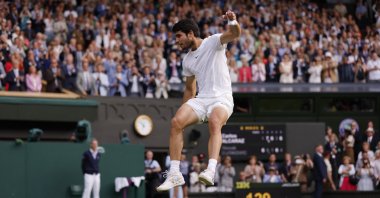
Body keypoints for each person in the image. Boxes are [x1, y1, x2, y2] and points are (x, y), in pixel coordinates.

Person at [157, 11, 241, 191]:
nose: (176, 40)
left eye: (179, 36)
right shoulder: (186, 60)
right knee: (176, 122)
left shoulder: (213, 42)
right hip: (202, 99)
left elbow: (234, 34)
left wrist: (232, 20)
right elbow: (189, 89)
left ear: (190, 34)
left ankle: (210, 170)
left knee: (214, 121)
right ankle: (174, 174)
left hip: (222, 98)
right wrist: (184, 117)